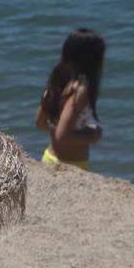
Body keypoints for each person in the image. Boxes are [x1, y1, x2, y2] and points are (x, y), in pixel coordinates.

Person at [35, 29, 106, 171]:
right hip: (71, 165)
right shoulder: (80, 90)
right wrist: (94, 135)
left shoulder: (58, 81)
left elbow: (40, 122)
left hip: (48, 157)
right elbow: (63, 136)